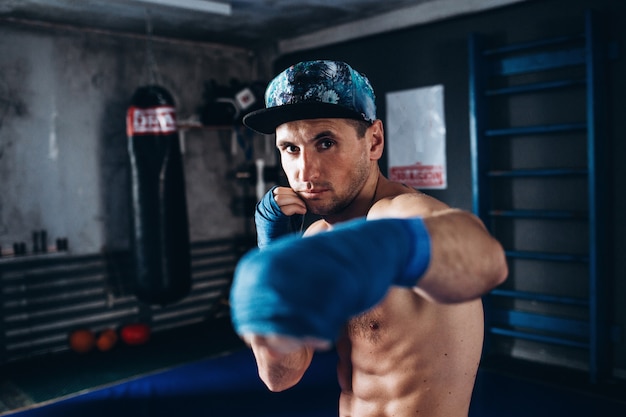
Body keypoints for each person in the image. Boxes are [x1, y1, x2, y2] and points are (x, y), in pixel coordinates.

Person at [230, 60, 508, 417]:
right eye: (291, 149)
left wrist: (389, 249)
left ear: (374, 140)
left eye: (325, 142)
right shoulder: (318, 236)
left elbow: (485, 257)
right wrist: (271, 252)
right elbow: (281, 377)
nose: (305, 172)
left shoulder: (401, 212)